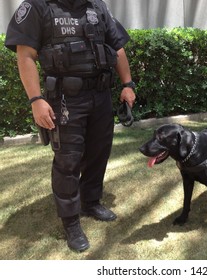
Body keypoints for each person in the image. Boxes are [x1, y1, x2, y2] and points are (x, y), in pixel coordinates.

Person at [5, 0, 136, 252]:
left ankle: (90, 201)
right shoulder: (37, 7)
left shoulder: (96, 6)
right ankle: (71, 221)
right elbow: (26, 55)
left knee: (99, 153)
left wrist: (127, 84)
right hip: (65, 100)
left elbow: (117, 47)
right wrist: (36, 100)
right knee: (68, 161)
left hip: (100, 96)